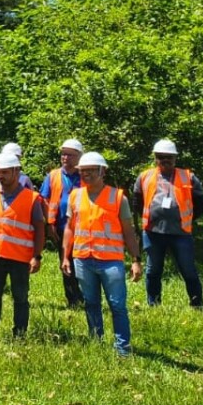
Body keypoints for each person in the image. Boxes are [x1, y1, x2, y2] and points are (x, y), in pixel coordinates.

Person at [61, 152, 142, 355]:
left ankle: (122, 348)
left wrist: (135, 260)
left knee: (117, 305)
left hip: (110, 262)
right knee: (91, 303)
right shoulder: (75, 196)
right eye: (83, 171)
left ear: (102, 171)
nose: (86, 174)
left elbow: (128, 231)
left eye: (91, 170)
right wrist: (65, 256)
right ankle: (96, 341)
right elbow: (69, 228)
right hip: (83, 259)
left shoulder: (118, 198)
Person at [0, 152, 45, 339]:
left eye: (5, 172)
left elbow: (39, 228)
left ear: (16, 171)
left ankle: (19, 334)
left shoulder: (31, 198)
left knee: (20, 297)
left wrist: (37, 256)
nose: (1, 176)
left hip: (20, 258)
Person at [130, 139, 203, 308]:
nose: (165, 160)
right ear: (155, 158)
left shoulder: (189, 177)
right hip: (153, 233)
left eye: (169, 157)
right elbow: (137, 203)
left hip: (181, 233)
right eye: (161, 157)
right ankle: (154, 305)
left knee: (188, 271)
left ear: (175, 158)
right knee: (153, 271)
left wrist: (186, 218)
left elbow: (201, 204)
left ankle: (197, 305)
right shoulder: (144, 177)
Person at [40, 139, 86, 308]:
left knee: (83, 263)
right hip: (60, 227)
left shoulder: (86, 175)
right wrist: (49, 223)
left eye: (70, 155)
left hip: (83, 227)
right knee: (66, 262)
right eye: (63, 154)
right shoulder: (53, 175)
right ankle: (73, 299)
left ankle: (87, 295)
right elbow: (44, 199)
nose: (65, 157)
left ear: (79, 156)